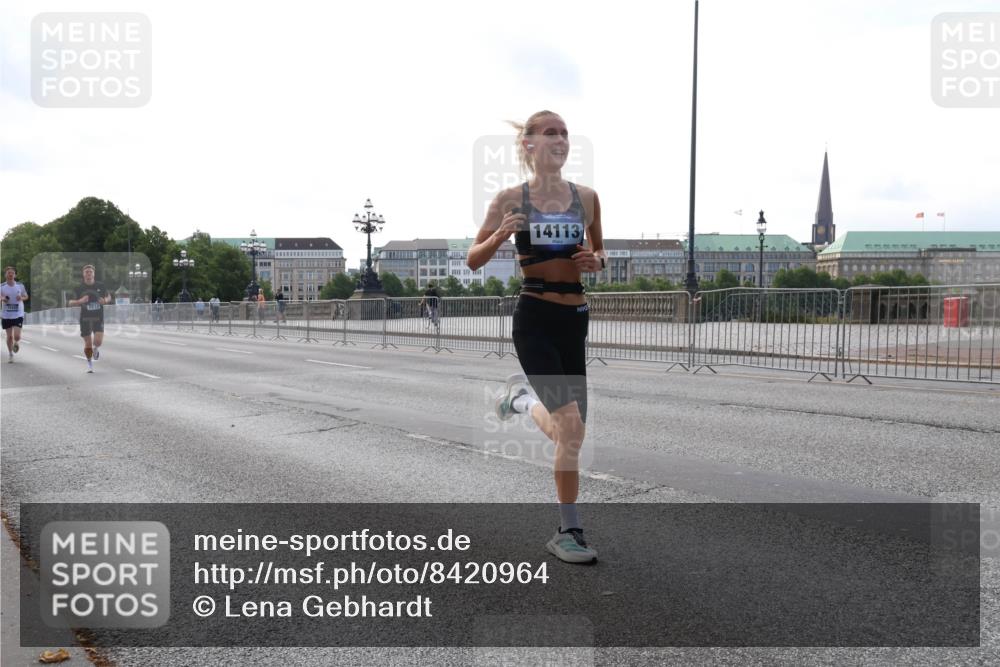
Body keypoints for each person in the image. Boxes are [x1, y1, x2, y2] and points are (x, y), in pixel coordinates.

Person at [467, 110, 605, 564]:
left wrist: (597, 262)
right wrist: (499, 235)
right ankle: (568, 532)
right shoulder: (510, 198)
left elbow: (599, 250)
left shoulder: (587, 198)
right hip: (535, 316)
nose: (560, 139)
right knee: (573, 427)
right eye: (550, 132)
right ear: (528, 144)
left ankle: (523, 401)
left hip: (575, 317)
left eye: (564, 132)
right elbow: (473, 258)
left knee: (572, 434)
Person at [66, 264, 112, 373]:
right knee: (88, 343)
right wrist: (80, 301)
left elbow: (109, 296)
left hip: (98, 317)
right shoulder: (78, 288)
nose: (88, 274)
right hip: (85, 318)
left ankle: (96, 349)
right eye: (86, 272)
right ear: (83, 274)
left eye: (90, 272)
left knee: (98, 342)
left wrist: (105, 300)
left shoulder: (101, 285)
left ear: (94, 274)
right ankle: (90, 365)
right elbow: (69, 302)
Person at [1, 266, 29, 363]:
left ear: (15, 275)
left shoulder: (20, 286)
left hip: (18, 313)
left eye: (12, 273)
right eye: (8, 273)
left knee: (17, 336)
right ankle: (10, 354)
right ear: (5, 275)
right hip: (6, 314)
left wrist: (21, 298)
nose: (10, 274)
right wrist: (3, 299)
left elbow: (26, 296)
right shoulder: (1, 286)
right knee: (9, 337)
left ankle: (16, 342)